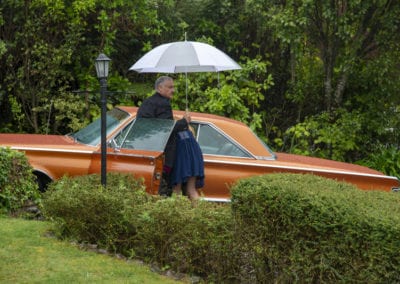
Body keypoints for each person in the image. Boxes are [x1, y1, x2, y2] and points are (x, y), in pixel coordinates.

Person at [136, 76, 204, 199]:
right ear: (160, 88)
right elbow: (166, 129)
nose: (173, 90)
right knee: (184, 190)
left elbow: (157, 126)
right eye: (170, 87)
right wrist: (184, 122)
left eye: (173, 87)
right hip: (165, 153)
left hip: (146, 147)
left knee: (175, 190)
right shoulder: (163, 104)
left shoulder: (148, 102)